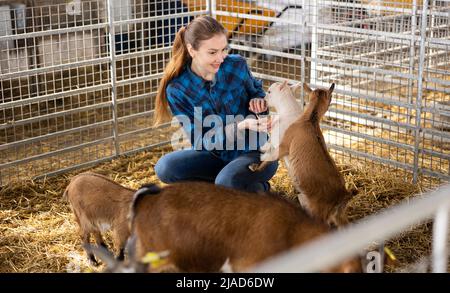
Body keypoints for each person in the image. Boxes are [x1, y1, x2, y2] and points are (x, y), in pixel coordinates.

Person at [153, 15, 278, 193]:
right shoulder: (177, 90)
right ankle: (249, 188)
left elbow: (257, 92)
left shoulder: (237, 65)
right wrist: (240, 126)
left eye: (223, 49)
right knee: (165, 167)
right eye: (212, 52)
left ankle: (242, 185)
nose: (220, 58)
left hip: (255, 150)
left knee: (226, 182)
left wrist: (259, 101)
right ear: (192, 50)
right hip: (215, 154)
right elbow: (200, 141)